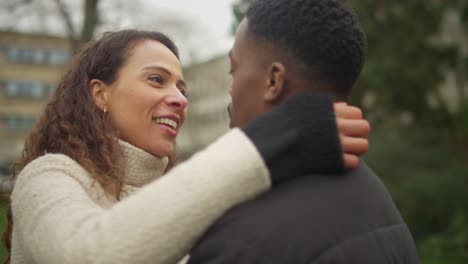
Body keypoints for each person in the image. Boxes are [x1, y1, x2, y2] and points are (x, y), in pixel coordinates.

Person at [4, 30, 370, 264]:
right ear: (100, 93)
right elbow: (90, 255)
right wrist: (263, 143)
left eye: (182, 88)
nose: (178, 99)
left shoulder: (181, 191)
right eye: (156, 80)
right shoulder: (47, 177)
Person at [186, 0, 419, 263]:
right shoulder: (376, 198)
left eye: (234, 69)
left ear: (273, 80)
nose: (231, 89)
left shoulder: (241, 240)